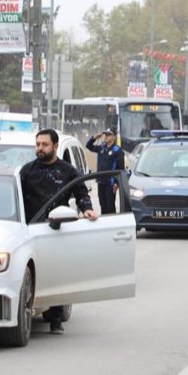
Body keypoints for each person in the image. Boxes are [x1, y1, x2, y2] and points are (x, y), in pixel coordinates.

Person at [20, 129, 99, 335]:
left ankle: (55, 319)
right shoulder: (27, 171)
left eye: (44, 145)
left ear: (55, 146)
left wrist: (87, 209)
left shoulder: (68, 171)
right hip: (31, 230)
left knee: (57, 275)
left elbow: (81, 193)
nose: (40, 148)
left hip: (56, 229)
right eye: (37, 144)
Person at [85, 127, 125, 214]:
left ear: (114, 137)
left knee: (110, 207)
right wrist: (95, 138)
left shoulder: (118, 150)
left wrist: (117, 183)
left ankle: (112, 225)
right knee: (102, 206)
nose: (106, 136)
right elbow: (88, 146)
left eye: (109, 134)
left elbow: (121, 169)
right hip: (101, 181)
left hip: (110, 184)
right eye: (105, 134)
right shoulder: (101, 147)